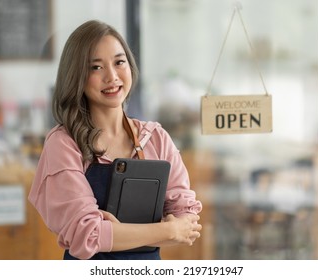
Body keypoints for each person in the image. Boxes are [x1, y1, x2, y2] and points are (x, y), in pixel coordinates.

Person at [28, 20, 202, 260]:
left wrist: (112, 233)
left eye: (119, 62)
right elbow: (87, 234)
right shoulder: (64, 143)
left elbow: (188, 222)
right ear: (76, 75)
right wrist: (166, 229)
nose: (112, 76)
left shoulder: (156, 138)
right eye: (95, 67)